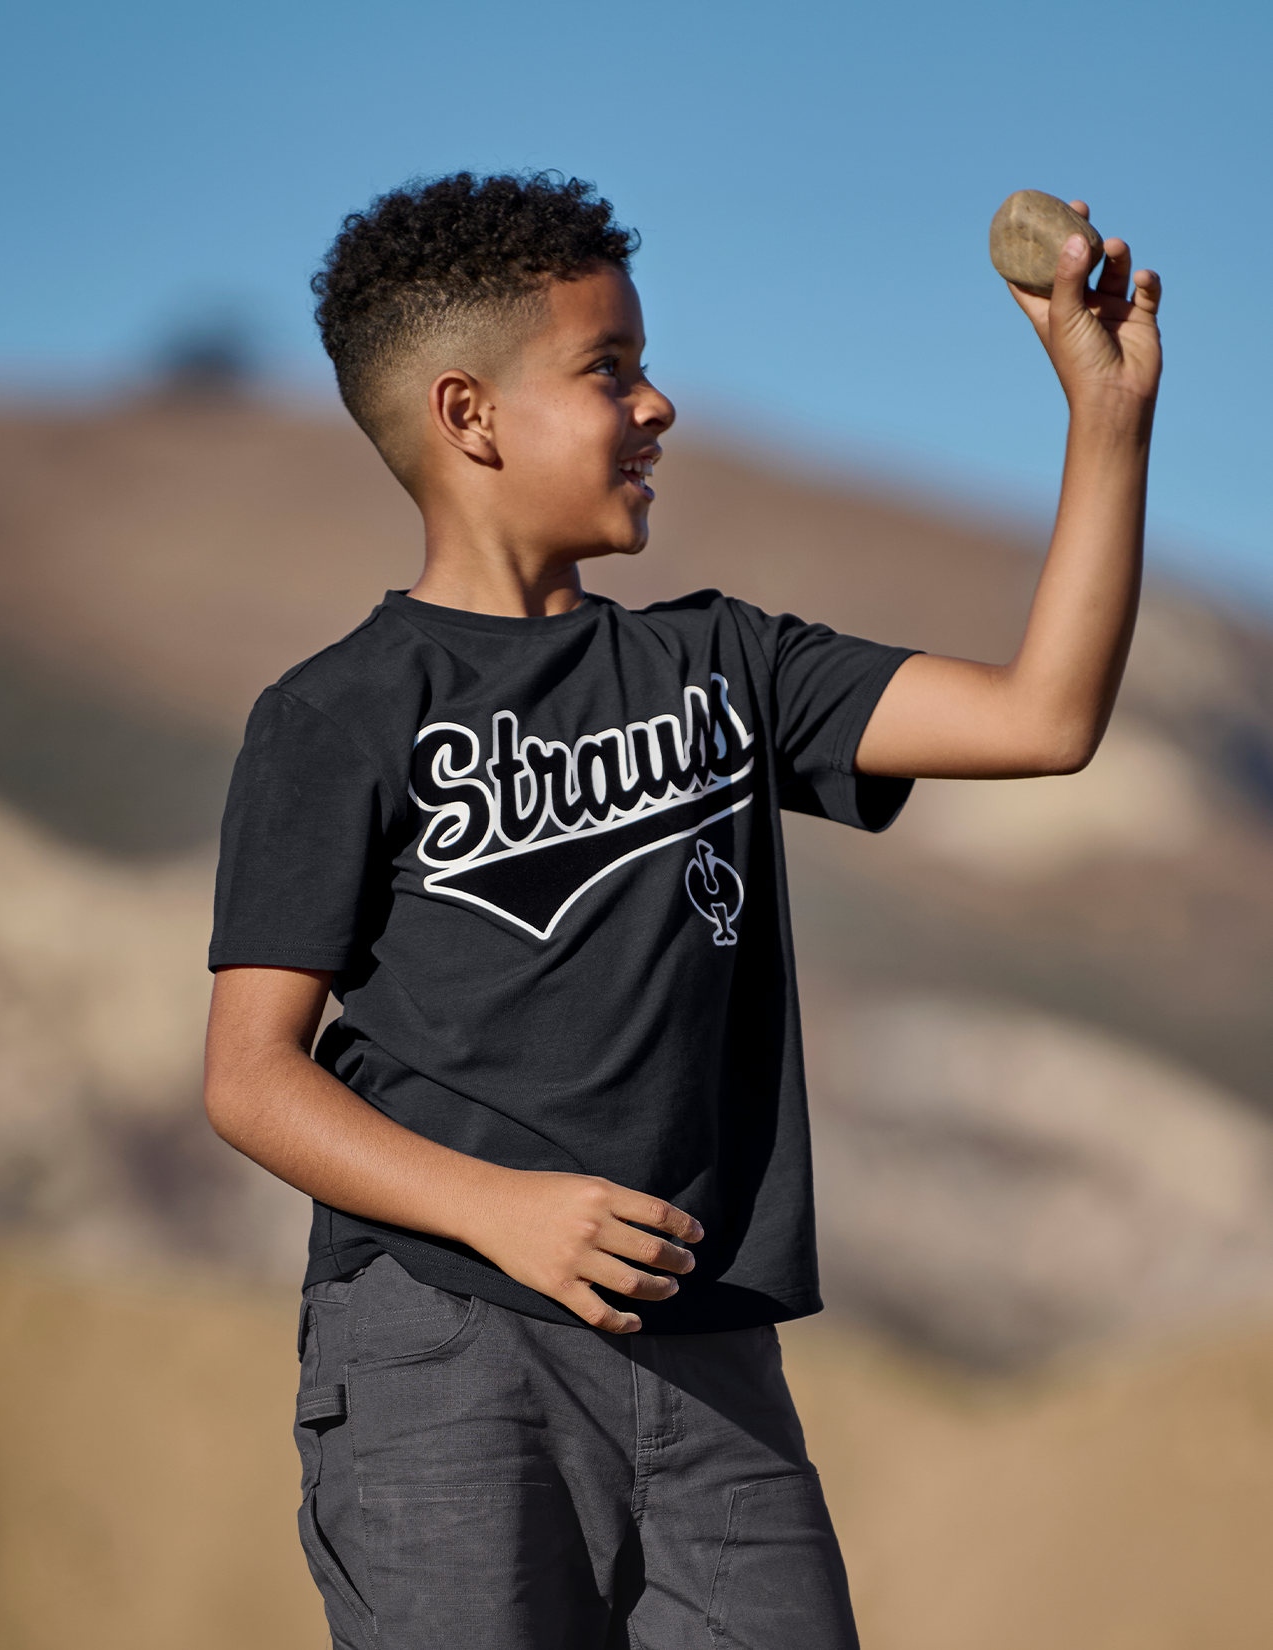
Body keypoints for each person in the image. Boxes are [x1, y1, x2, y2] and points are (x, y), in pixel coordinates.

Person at [203, 171, 1162, 1649]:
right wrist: (498, 1210)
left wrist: (1103, 416)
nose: (658, 405)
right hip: (441, 1355)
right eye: (609, 369)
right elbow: (249, 1074)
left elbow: (1042, 716)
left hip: (711, 1358)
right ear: (471, 417)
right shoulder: (335, 713)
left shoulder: (724, 663)